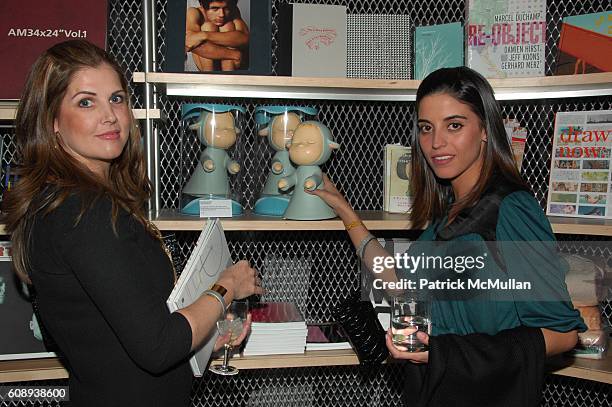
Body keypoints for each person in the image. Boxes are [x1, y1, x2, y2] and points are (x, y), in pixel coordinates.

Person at [1, 40, 263, 407]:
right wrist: (225, 288)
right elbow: (158, 346)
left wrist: (203, 336)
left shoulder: (61, 202)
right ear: (52, 122)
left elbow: (109, 334)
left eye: (117, 98)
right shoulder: (84, 212)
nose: (109, 115)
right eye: (86, 102)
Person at [310, 67, 586, 405]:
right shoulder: (449, 212)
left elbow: (563, 333)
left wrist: (444, 353)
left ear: (485, 129)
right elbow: (401, 285)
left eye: (454, 125)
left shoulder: (510, 208)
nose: (436, 142)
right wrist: (346, 212)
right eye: (426, 128)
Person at [185, 0, 249, 72]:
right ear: (202, 6)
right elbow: (189, 43)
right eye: (215, 9)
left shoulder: (232, 10)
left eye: (226, 8)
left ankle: (228, 80)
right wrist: (234, 55)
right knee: (208, 27)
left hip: (232, 67)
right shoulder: (194, 12)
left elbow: (245, 39)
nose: (222, 14)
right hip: (203, 69)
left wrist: (204, 35)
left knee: (227, 26)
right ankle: (210, 79)